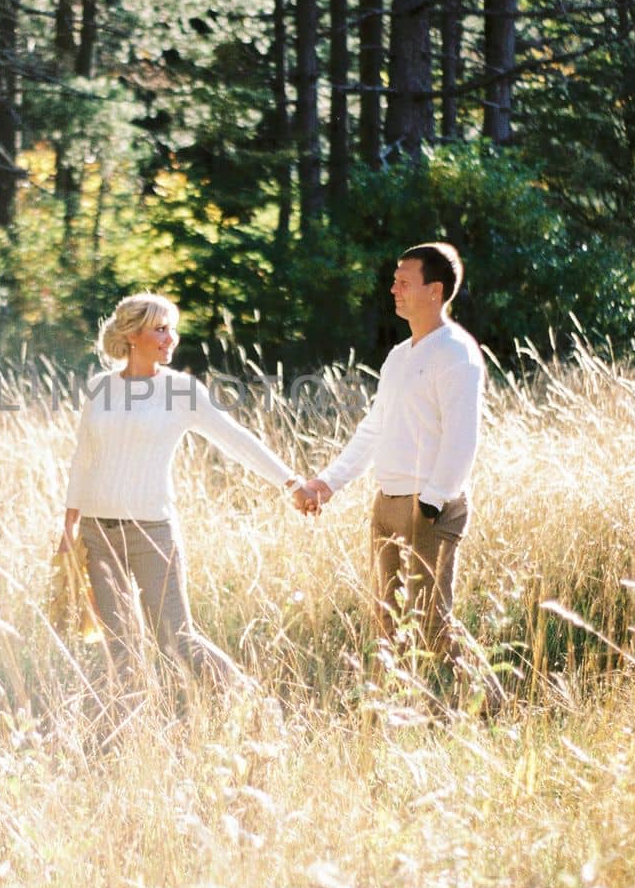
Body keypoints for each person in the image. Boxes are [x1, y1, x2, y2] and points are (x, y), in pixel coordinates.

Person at [58, 292, 304, 699]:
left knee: (177, 639)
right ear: (132, 334)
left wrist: (291, 483)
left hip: (152, 532)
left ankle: (252, 705)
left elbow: (235, 440)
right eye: (160, 329)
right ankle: (129, 743)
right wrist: (69, 526)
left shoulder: (180, 390)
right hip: (98, 535)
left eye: (172, 328)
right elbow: (83, 459)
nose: (171, 338)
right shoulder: (100, 387)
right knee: (120, 650)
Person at [294, 243, 485, 700]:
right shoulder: (400, 355)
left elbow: (463, 438)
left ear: (434, 291)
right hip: (386, 503)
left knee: (432, 625)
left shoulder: (457, 353)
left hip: (430, 508)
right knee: (386, 621)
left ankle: (486, 705)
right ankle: (391, 715)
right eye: (394, 279)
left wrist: (433, 501)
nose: (393, 288)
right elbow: (375, 428)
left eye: (404, 281)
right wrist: (329, 482)